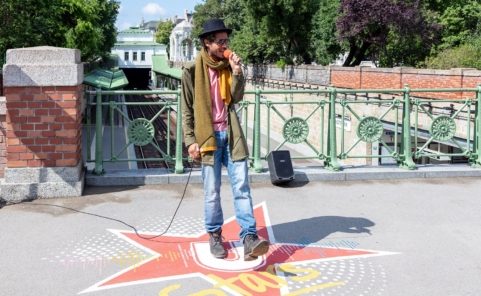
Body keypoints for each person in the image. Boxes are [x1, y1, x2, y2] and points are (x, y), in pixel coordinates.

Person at [181, 19, 269, 261]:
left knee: (241, 187)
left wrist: (238, 71)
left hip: (231, 136)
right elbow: (187, 109)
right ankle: (215, 235)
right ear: (207, 43)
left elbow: (236, 97)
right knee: (212, 192)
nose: (225, 45)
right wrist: (190, 141)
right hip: (207, 137)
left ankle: (250, 237)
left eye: (226, 41)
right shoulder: (191, 71)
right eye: (220, 42)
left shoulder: (228, 68)